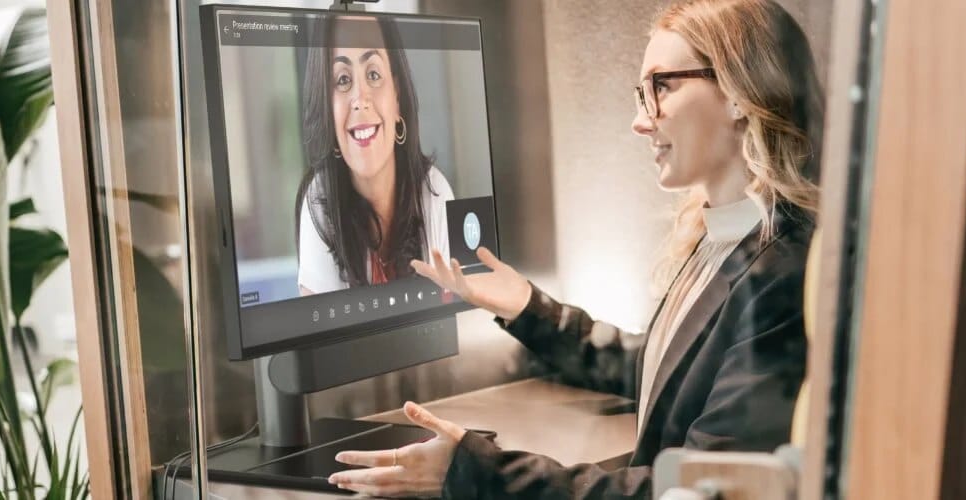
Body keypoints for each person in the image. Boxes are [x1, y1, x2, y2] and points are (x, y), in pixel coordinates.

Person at [327, 0, 822, 497]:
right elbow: (664, 374)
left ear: (739, 92)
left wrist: (476, 473)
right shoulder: (729, 239)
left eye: (660, 87)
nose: (640, 121)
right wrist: (527, 307)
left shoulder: (783, 273)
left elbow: (705, 491)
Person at [295, 14, 454, 296]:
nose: (360, 99)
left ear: (397, 97)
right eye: (342, 80)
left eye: (373, 74)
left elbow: (455, 323)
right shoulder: (319, 202)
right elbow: (322, 339)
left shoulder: (435, 194)